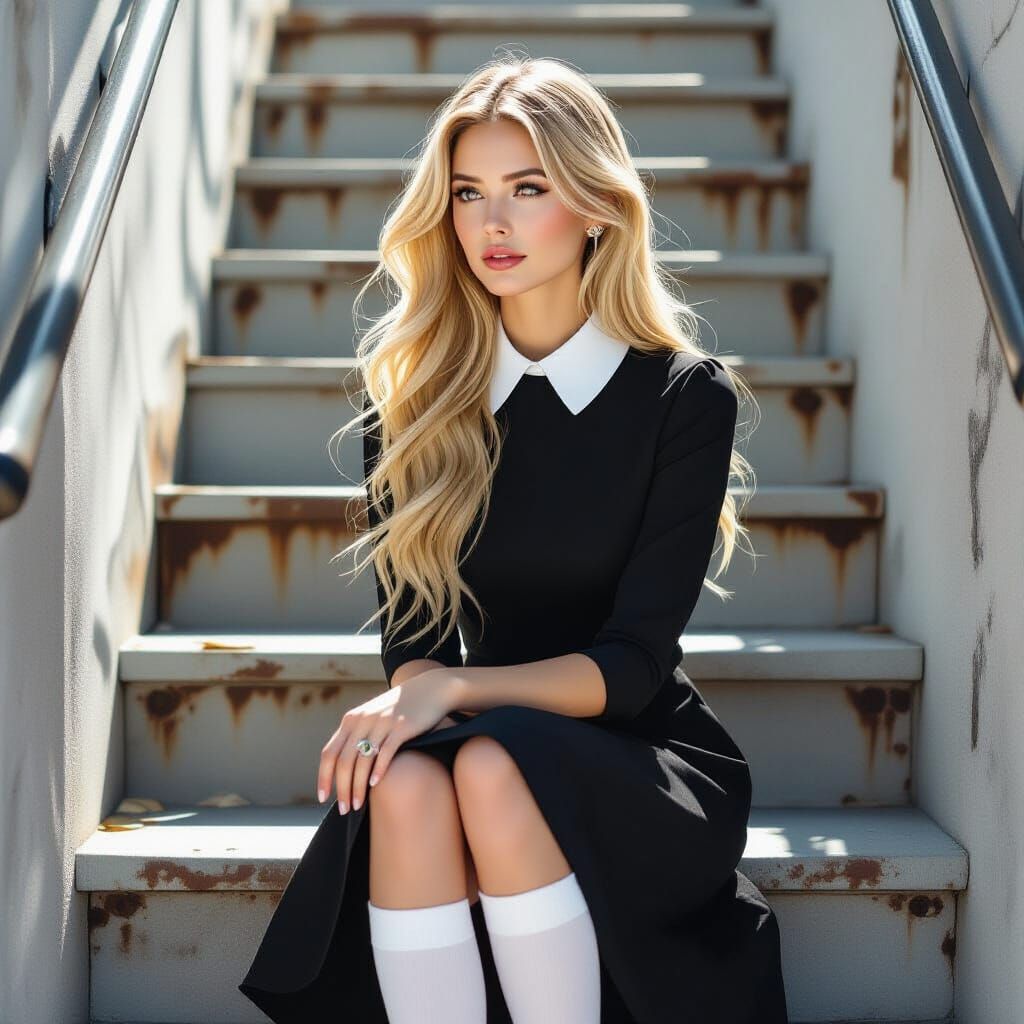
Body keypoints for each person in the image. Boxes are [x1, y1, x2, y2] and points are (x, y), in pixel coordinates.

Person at [239, 55, 789, 1023]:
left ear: (595, 206)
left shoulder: (682, 396)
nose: (491, 224)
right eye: (468, 194)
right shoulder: (411, 401)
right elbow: (414, 645)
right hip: (471, 742)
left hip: (636, 749)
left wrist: (460, 688)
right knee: (407, 784)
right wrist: (436, 691)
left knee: (492, 766)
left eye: (527, 189)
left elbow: (632, 664)